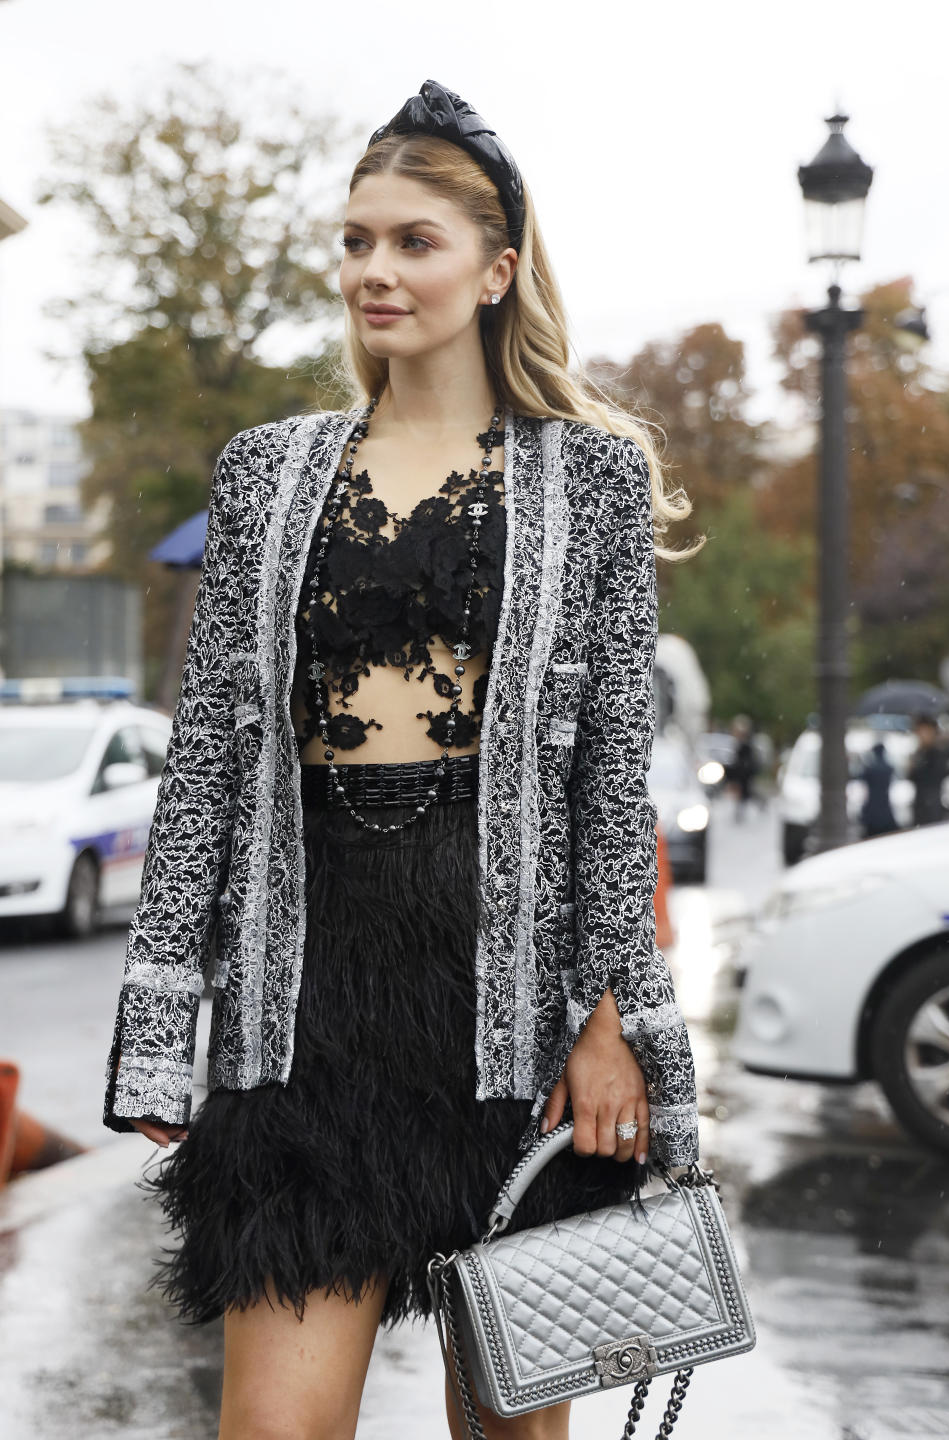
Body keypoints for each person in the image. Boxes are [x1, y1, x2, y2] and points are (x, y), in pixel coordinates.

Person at [101, 80, 705, 1440]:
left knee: (508, 1431)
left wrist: (614, 1025)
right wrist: (158, 1033)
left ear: (497, 270)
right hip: (300, 1015)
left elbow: (611, 787)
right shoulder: (267, 472)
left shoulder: (592, 482)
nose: (374, 269)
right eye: (358, 239)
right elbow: (203, 759)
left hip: (514, 1034)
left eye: (412, 241)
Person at [908, 711, 949, 827]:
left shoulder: (937, 754)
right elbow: (912, 778)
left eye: (924, 731)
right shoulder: (920, 753)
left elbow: (933, 778)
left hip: (932, 810)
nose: (921, 735)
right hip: (919, 808)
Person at [859, 739, 900, 838]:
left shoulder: (870, 768)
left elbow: (861, 777)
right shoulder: (888, 767)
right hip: (884, 805)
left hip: (872, 805)